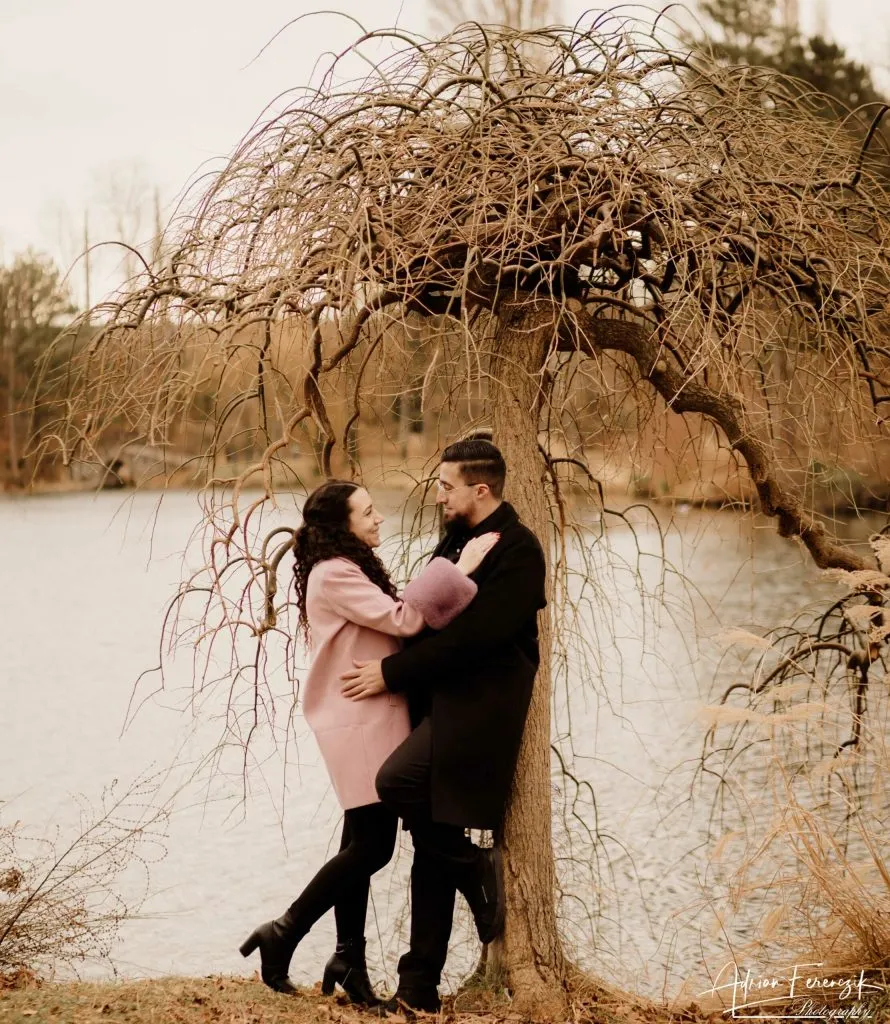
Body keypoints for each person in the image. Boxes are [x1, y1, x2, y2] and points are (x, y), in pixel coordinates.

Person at [239, 478, 499, 1002]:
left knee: (361, 841)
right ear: (342, 526)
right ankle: (284, 932)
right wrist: (460, 568)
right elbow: (405, 619)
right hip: (359, 722)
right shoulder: (335, 573)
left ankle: (346, 957)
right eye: (368, 512)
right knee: (374, 846)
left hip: (366, 719)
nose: (379, 518)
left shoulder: (344, 568)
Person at [341, 439, 547, 1013]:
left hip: (482, 703)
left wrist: (392, 673)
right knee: (429, 845)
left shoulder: (521, 550)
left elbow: (472, 638)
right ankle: (417, 988)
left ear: (480, 489)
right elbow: (428, 613)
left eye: (446, 485)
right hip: (442, 698)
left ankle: (476, 868)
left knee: (396, 784)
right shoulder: (458, 537)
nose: (438, 494)